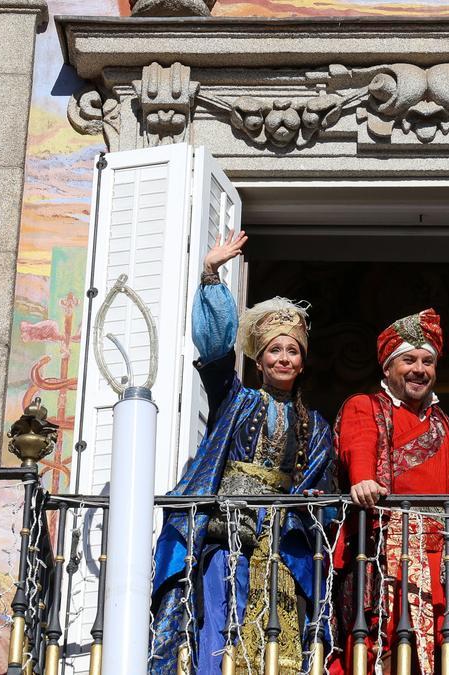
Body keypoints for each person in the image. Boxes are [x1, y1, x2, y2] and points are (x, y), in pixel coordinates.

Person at [150, 232, 337, 675]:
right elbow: (215, 354)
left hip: (281, 546)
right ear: (259, 360)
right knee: (221, 625)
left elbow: (323, 493)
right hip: (229, 536)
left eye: (293, 350)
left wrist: (307, 511)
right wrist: (211, 275)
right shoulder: (237, 401)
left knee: (281, 639)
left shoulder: (317, 425)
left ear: (303, 360)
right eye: (275, 350)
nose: (284, 358)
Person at [331, 309, 449, 675]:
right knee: (383, 651)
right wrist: (364, 480)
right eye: (409, 360)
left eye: (428, 361)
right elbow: (359, 445)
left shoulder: (444, 423)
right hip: (386, 554)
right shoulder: (364, 406)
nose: (419, 369)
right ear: (387, 368)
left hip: (439, 560)